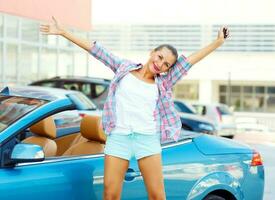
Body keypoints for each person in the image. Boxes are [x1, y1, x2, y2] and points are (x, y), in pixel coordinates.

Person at [40, 16, 229, 200]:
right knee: (110, 194)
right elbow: (97, 50)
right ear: (152, 52)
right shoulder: (123, 68)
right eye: (160, 57)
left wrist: (217, 42)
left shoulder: (163, 82)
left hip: (147, 139)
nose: (160, 64)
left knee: (157, 195)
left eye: (166, 64)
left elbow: (190, 61)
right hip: (119, 137)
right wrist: (63, 32)